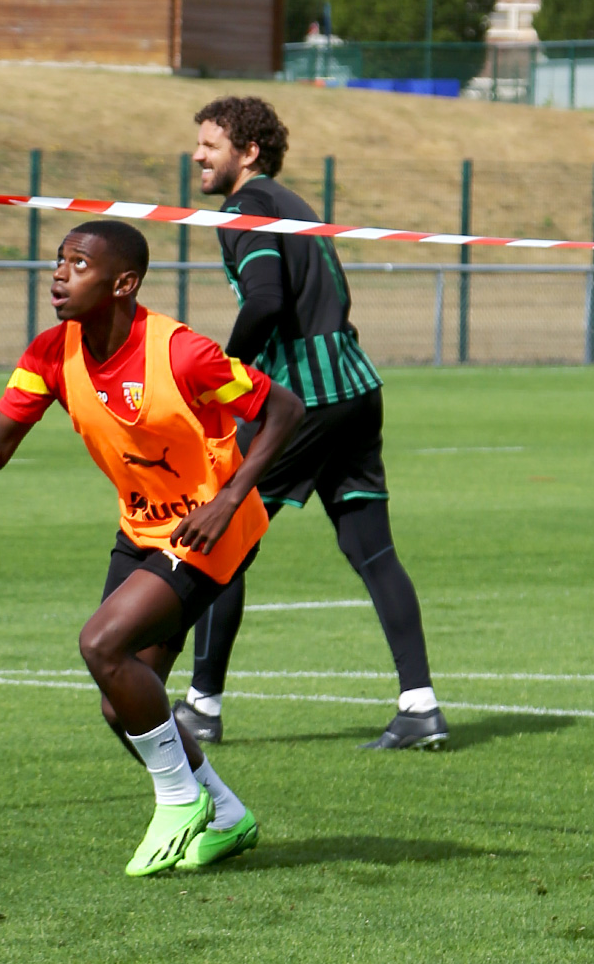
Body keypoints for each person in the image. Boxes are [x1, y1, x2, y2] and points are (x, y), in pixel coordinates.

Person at [0, 218, 304, 873]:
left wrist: (226, 499)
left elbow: (285, 409)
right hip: (141, 529)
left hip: (211, 529)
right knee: (125, 702)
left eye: (79, 263)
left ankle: (178, 799)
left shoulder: (183, 352)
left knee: (100, 643)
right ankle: (224, 812)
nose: (59, 273)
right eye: (59, 260)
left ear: (122, 283)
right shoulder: (50, 353)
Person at [174, 95, 446, 750]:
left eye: (210, 145)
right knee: (371, 550)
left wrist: (223, 372)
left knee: (220, 538)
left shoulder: (245, 208)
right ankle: (420, 707)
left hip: (304, 390)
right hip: (354, 381)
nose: (197, 155)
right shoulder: (293, 202)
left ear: (249, 153)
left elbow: (266, 300)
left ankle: (201, 707)